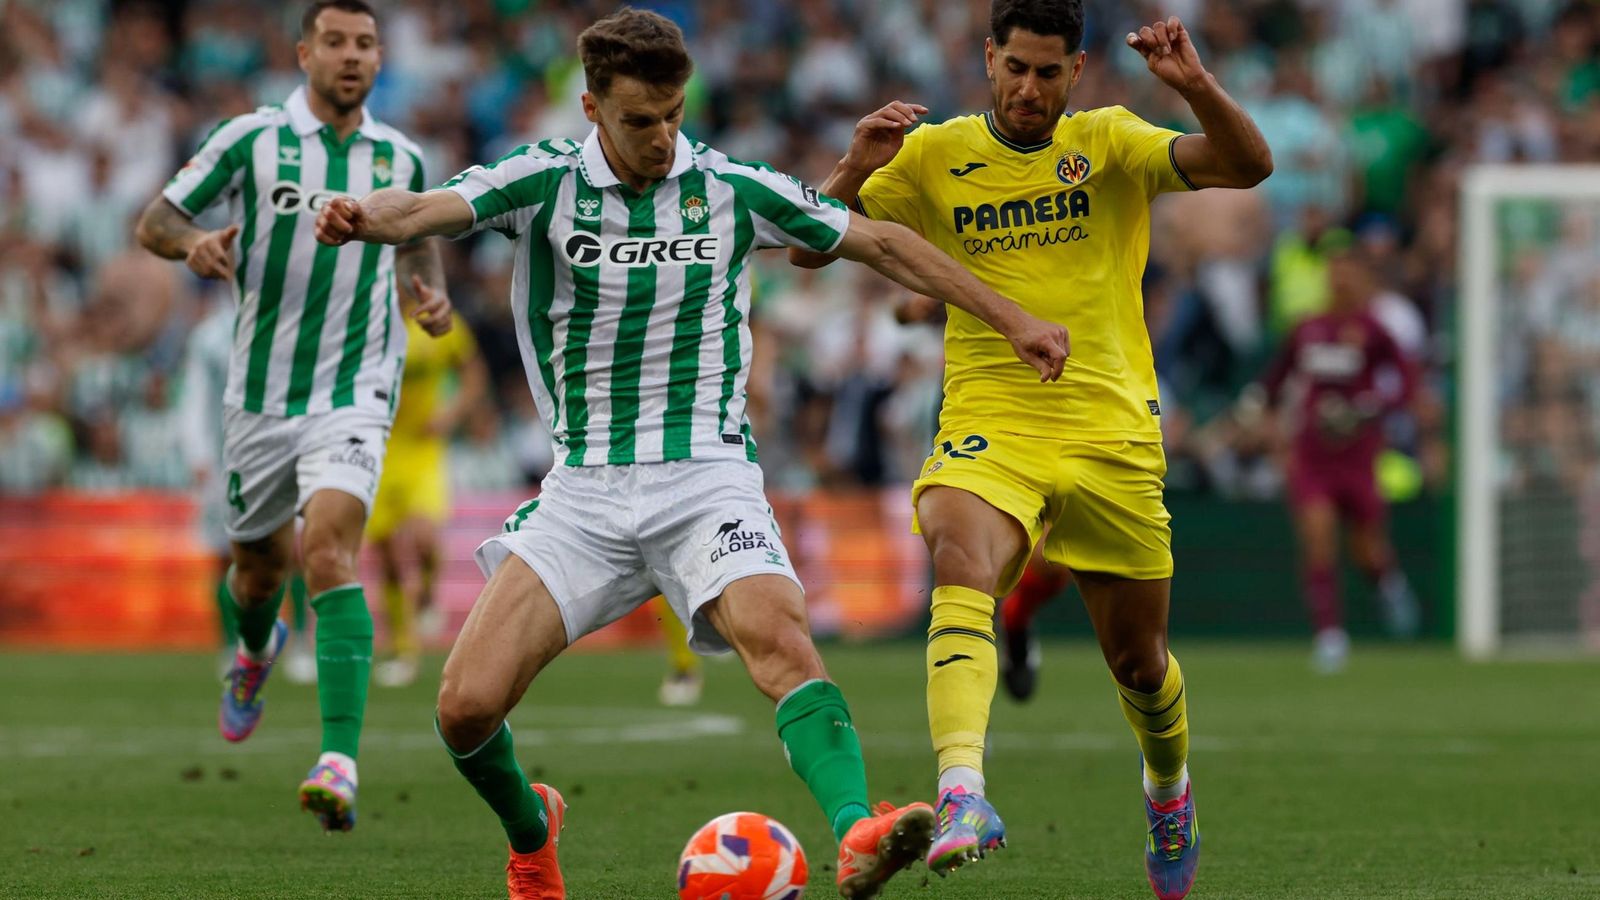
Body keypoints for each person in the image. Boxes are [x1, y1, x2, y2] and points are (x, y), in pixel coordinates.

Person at [314, 9, 1067, 898]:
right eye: (640, 120)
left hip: (708, 477)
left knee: (781, 637)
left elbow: (882, 243)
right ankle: (532, 830)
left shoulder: (730, 186)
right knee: (464, 708)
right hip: (583, 494)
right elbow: (428, 207)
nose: (663, 137)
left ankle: (858, 828)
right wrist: (364, 215)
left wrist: (1011, 318)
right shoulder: (542, 182)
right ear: (592, 107)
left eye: (674, 114)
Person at [791, 3, 1272, 896]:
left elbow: (1249, 165)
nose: (1029, 89)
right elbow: (810, 244)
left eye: (1049, 72)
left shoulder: (1112, 140)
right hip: (992, 421)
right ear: (988, 58)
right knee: (958, 557)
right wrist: (856, 163)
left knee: (1140, 663)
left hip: (1112, 432)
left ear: (1078, 70)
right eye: (1015, 67)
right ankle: (963, 791)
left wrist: (1194, 85)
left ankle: (1168, 789)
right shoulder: (932, 156)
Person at [135, 0, 453, 832]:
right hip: (260, 396)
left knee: (331, 550)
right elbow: (157, 221)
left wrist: (429, 287)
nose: (353, 57)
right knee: (257, 574)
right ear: (304, 52)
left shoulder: (400, 154)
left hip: (354, 388)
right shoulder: (249, 140)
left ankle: (338, 759)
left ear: (381, 57)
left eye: (367, 43)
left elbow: (416, 234)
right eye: (338, 43)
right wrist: (191, 246)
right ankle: (254, 650)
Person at [1245, 239, 1420, 673]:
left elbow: (1405, 380)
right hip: (1313, 453)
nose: (1340, 278)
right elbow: (1276, 378)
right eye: (1333, 270)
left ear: (1361, 278)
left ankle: (1387, 584)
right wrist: (1256, 410)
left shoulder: (1373, 329)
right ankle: (1330, 635)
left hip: (1359, 454)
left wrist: (1370, 408)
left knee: (1367, 551)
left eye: (1348, 270)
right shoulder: (1307, 328)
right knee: (1318, 539)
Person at [177, 293, 317, 684]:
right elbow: (195, 396)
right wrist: (197, 453)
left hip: (281, 450)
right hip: (225, 458)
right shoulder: (208, 336)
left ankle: (302, 643)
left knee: (294, 551)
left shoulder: (286, 320)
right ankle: (232, 645)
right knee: (226, 556)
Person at [366, 306, 487, 688]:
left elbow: (473, 372)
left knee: (422, 539)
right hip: (378, 448)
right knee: (386, 554)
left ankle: (429, 592)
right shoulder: (367, 319)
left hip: (421, 448)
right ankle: (404, 650)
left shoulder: (436, 317)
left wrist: (451, 414)